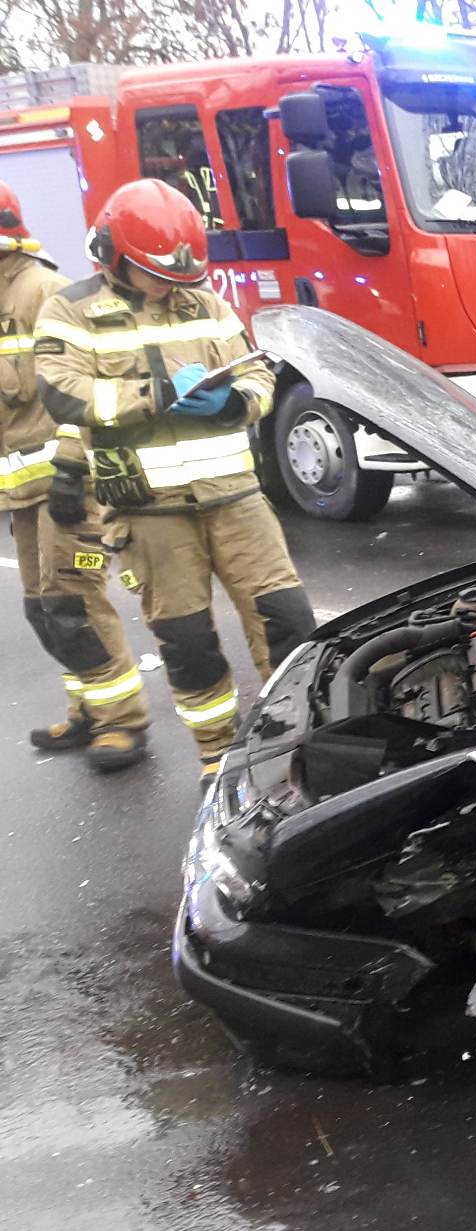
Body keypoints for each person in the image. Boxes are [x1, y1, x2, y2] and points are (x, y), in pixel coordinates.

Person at [35, 178, 314, 789]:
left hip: (236, 499)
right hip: (149, 511)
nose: (171, 287)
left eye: (180, 277)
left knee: (288, 621)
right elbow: (62, 391)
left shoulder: (207, 304)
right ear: (112, 256)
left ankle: (297, 744)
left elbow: (259, 378)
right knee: (187, 642)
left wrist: (233, 403)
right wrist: (155, 395)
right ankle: (219, 758)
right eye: (157, 275)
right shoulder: (70, 311)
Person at [0, 183, 149, 770]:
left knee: (75, 603)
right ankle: (87, 707)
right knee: (44, 610)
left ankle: (122, 722)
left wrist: (71, 467)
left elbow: (84, 389)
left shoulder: (44, 291)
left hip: (69, 487)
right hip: (24, 494)